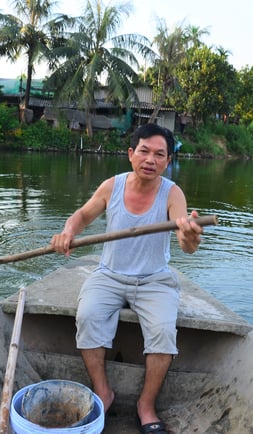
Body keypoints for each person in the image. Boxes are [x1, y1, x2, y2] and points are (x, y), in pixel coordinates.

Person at [50, 123, 203, 434]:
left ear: (168, 161)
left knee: (162, 330)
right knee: (89, 316)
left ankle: (145, 406)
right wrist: (68, 232)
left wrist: (190, 235)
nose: (151, 159)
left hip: (154, 279)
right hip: (109, 274)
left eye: (160, 154)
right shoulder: (112, 186)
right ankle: (103, 392)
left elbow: (185, 242)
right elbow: (82, 215)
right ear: (131, 154)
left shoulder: (172, 194)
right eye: (144, 151)